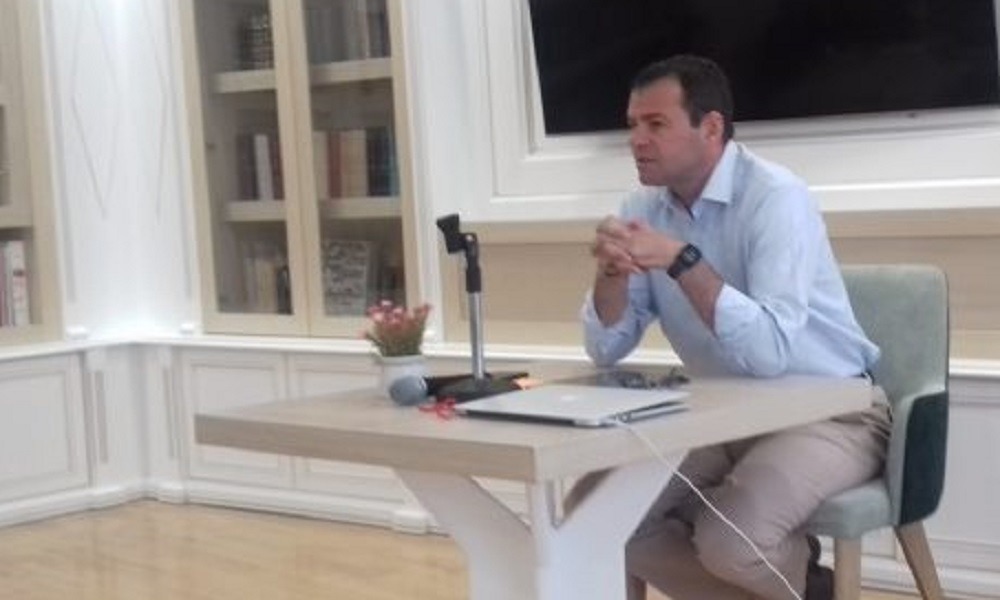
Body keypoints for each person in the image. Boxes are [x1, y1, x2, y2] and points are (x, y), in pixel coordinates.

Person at [579, 55, 891, 600]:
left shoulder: (776, 197)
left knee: (730, 541)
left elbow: (769, 352)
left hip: (831, 413)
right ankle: (802, 589)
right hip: (720, 418)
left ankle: (796, 585)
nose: (636, 140)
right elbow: (606, 347)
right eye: (632, 125)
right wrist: (610, 274)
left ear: (711, 127)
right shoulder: (641, 208)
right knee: (596, 514)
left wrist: (683, 260)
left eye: (656, 124)